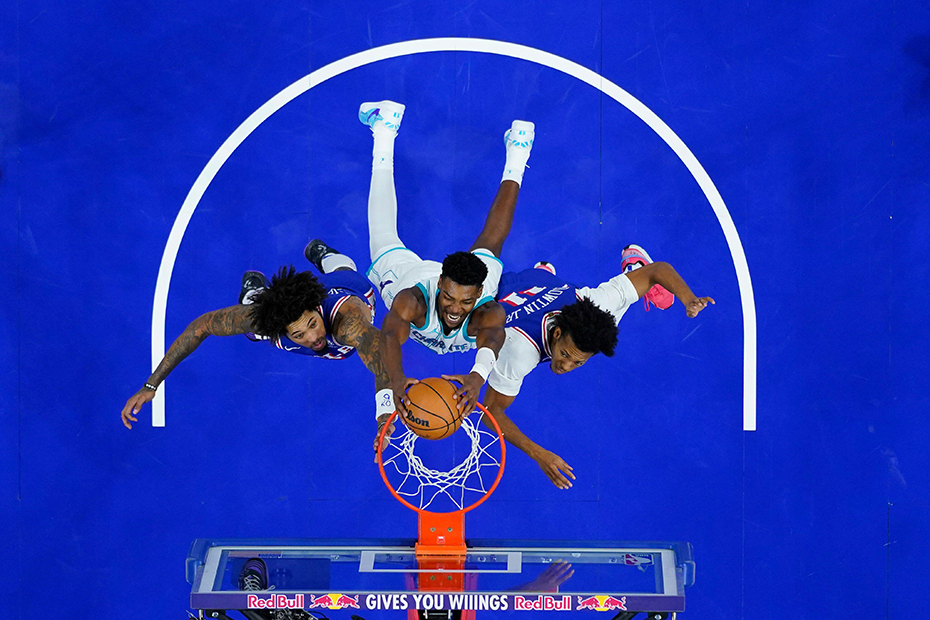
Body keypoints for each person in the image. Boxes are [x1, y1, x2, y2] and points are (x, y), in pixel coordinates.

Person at [329, 100, 534, 447]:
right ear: (441, 284)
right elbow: (389, 338)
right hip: (408, 273)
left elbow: (494, 339)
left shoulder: (485, 309)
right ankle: (385, 130)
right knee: (381, 238)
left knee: (491, 242)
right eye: (450, 297)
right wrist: (396, 380)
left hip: (465, 282)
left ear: (478, 293)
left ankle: (519, 149)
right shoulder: (412, 301)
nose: (455, 308)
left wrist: (476, 377)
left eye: (465, 301)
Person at [483, 245, 715, 489]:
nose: (566, 366)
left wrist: (689, 299)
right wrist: (538, 453)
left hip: (553, 288)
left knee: (609, 320)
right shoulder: (518, 351)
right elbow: (490, 409)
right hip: (509, 290)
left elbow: (657, 269)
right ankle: (552, 276)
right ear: (557, 332)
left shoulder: (597, 303)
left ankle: (635, 267)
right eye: (565, 354)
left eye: (578, 362)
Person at [120, 243, 388, 429]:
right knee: (254, 328)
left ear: (316, 310)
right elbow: (201, 326)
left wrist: (384, 413)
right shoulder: (270, 326)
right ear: (284, 330)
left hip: (349, 288)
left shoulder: (346, 322)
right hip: (269, 320)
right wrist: (151, 385)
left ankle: (324, 254)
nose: (312, 337)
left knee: (342, 270)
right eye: (298, 334)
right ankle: (255, 295)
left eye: (312, 324)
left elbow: (378, 355)